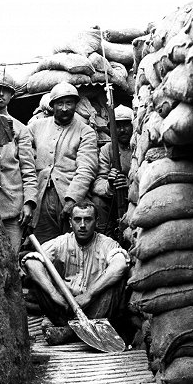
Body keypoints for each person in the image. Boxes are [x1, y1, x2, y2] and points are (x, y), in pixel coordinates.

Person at [21, 201, 130, 345]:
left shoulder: (106, 243)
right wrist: (54, 294)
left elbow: (120, 264)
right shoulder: (61, 242)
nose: (83, 225)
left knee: (117, 281)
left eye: (88, 219)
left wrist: (89, 295)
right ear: (70, 222)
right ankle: (72, 329)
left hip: (95, 310)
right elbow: (31, 262)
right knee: (38, 277)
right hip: (64, 308)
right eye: (78, 220)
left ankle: (69, 333)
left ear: (96, 222)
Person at [27, 82, 98, 243]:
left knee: (72, 244)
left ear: (76, 105)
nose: (65, 108)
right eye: (60, 103)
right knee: (44, 246)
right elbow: (23, 155)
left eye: (69, 103)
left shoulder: (85, 131)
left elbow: (87, 168)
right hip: (41, 195)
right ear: (52, 105)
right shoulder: (36, 127)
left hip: (68, 195)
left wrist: (72, 200)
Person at [0, 70, 38, 251]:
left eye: (6, 90)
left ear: (12, 95)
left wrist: (29, 202)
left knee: (11, 259)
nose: (1, 94)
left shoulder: (20, 129)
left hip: (12, 207)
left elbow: (28, 169)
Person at [91, 105, 133, 235]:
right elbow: (98, 182)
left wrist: (130, 184)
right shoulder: (107, 150)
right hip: (115, 200)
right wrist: (109, 185)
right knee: (97, 202)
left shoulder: (139, 145)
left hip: (136, 196)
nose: (122, 130)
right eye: (117, 126)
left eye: (126, 125)